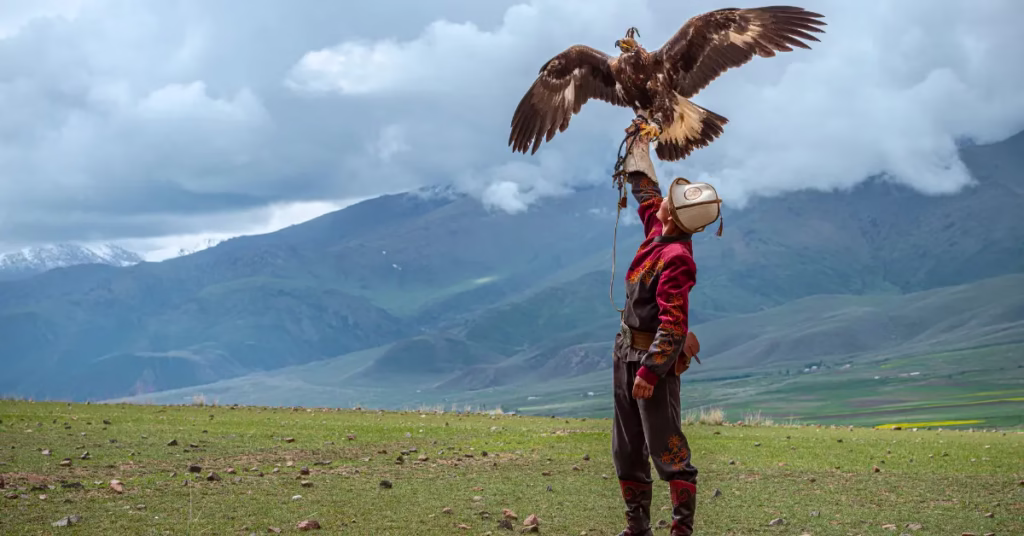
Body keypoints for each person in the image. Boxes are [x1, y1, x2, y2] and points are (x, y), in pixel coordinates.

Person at [611, 118, 722, 536]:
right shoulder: (660, 230)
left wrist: (650, 371)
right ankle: (637, 528)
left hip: (650, 360)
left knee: (667, 448)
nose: (661, 202)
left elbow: (674, 325)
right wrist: (637, 146)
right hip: (625, 351)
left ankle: (681, 530)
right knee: (626, 447)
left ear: (673, 217)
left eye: (668, 202)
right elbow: (646, 194)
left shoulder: (677, 258)